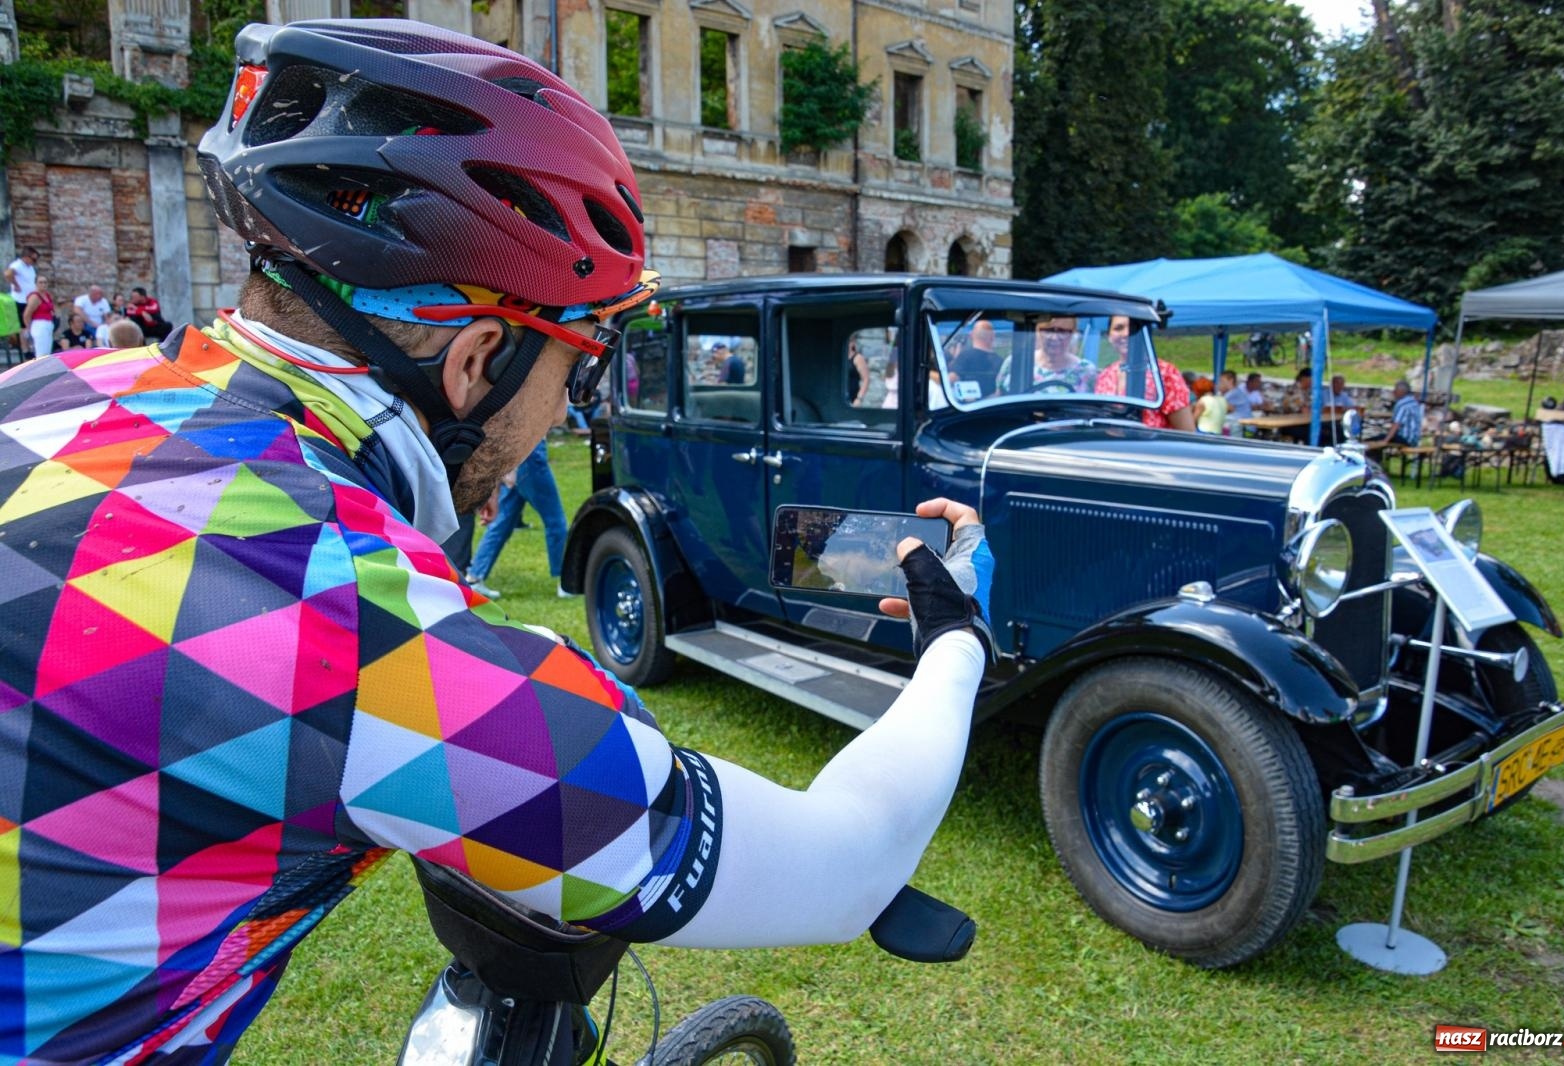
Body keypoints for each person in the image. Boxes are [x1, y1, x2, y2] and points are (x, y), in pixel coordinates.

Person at [0, 20, 994, 1064]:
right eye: (579, 369)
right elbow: (849, 862)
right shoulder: (355, 631)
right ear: (480, 360)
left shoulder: (40, 393)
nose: (568, 414)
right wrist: (955, 640)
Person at [463, 438, 573, 600]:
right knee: (555, 521)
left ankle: (474, 577)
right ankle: (566, 583)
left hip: (518, 454)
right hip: (529, 453)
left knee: (503, 522)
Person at [1092, 315, 1195, 430]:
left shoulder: (1164, 373)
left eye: (1133, 327)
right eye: (1119, 328)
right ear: (1109, 336)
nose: (1126, 333)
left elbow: (1186, 431)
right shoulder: (1105, 376)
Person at [950, 319, 1002, 397]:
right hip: (992, 405)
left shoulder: (965, 356)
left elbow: (951, 378)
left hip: (968, 406)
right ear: (993, 336)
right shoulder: (1000, 361)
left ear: (971, 335)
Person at [6, 245, 39, 354]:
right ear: (26, 257)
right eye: (33, 259)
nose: (34, 261)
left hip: (29, 299)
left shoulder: (29, 267)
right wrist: (15, 284)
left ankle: (30, 347)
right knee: (23, 326)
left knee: (29, 324)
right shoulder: (18, 265)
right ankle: (25, 349)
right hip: (20, 300)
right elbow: (8, 273)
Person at [1380, 379, 1423, 447]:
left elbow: (1396, 424)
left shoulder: (1402, 404)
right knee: (1380, 437)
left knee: (1372, 441)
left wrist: (1385, 440)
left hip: (1405, 438)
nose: (1394, 392)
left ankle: (1373, 457)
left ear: (1401, 392)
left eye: (1395, 390)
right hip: (1414, 439)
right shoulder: (1413, 401)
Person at [21, 277, 56, 360]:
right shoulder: (35, 297)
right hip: (39, 325)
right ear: (36, 284)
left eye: (45, 282)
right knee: (41, 353)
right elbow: (26, 314)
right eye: (40, 282)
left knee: (47, 352)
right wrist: (29, 328)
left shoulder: (47, 295)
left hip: (48, 324)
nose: (43, 284)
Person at [847, 337, 870, 404]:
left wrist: (859, 398)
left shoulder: (858, 358)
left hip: (852, 399)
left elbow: (866, 379)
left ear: (853, 343)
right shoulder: (840, 357)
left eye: (849, 342)